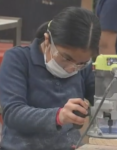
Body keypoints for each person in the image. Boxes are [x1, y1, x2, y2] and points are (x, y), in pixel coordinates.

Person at [0, 7, 101, 150]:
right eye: (66, 58)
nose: (72, 68)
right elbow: (13, 113)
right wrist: (59, 116)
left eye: (81, 63)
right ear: (48, 40)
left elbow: (102, 99)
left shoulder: (82, 67)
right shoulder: (18, 59)